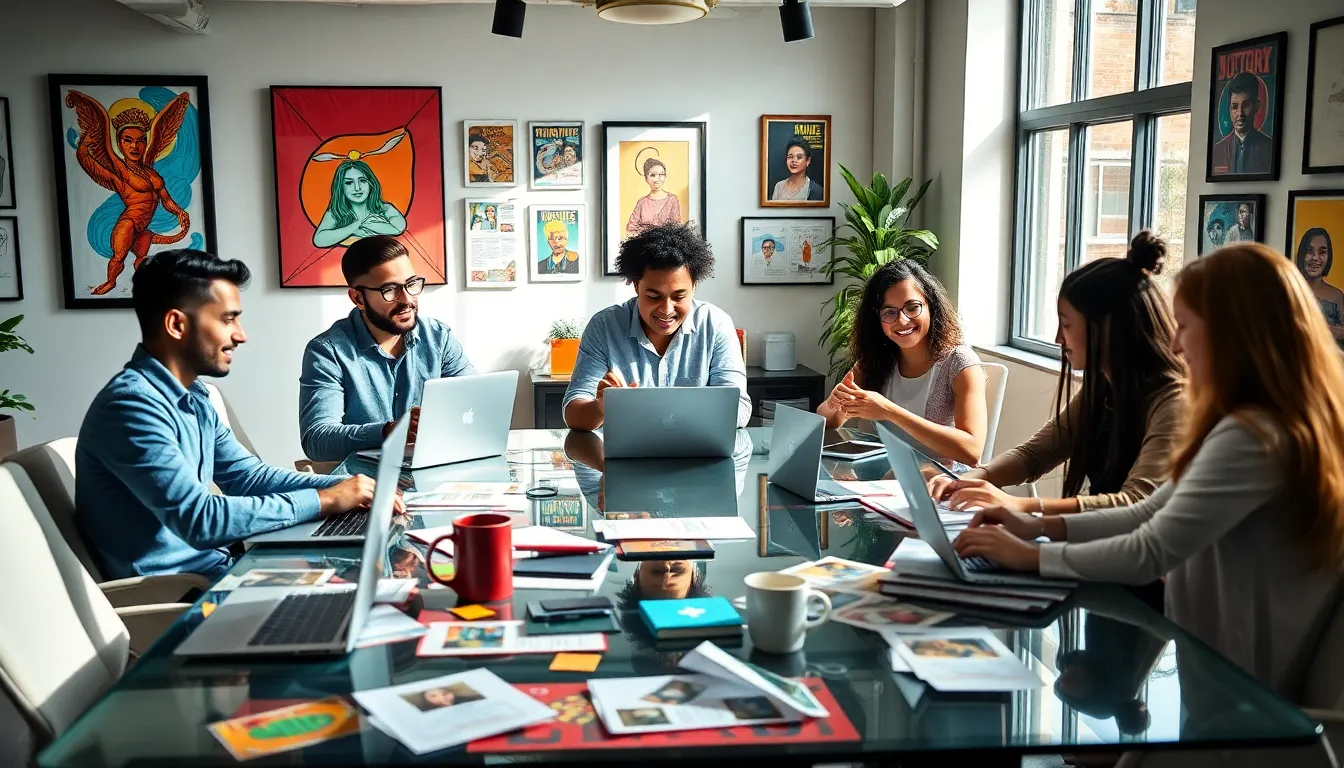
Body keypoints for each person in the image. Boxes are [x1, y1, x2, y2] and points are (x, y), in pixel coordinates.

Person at [952, 243, 1344, 702]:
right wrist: (1034, 524)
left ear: (1232, 332)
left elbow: (1150, 548)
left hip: (1242, 695)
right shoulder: (1251, 422)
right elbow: (1149, 511)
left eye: (1186, 327)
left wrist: (1032, 555)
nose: (1176, 344)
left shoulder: (1251, 435)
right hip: (1224, 677)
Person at [75, 249, 386, 581]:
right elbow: (200, 520)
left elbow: (250, 479)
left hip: (222, 565)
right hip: (185, 591)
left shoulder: (194, 397)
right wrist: (323, 500)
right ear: (177, 325)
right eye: (227, 319)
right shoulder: (132, 407)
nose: (240, 335)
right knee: (364, 585)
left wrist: (352, 487)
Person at [930, 232, 1184, 519]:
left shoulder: (1174, 402)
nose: (1058, 338)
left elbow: (1136, 503)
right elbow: (1035, 455)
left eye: (1067, 324)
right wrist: (972, 479)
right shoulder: (1102, 385)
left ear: (1107, 327)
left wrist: (1019, 506)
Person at [299, 235, 475, 462]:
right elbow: (317, 439)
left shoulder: (438, 338)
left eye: (411, 284)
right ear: (358, 298)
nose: (407, 299)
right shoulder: (327, 352)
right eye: (390, 290)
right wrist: (387, 432)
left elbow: (474, 403)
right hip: (365, 480)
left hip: (437, 470)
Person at [562, 222, 750, 431]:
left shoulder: (716, 325)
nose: (666, 310)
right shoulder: (604, 326)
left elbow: (740, 409)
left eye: (679, 296)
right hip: (628, 450)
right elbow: (573, 412)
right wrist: (601, 407)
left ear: (694, 286)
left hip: (698, 449)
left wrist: (663, 412)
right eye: (653, 296)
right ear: (636, 286)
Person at [817, 260, 987, 467]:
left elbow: (971, 452)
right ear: (877, 319)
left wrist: (890, 412)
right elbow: (830, 422)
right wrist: (833, 403)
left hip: (938, 482)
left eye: (912, 308)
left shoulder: (961, 364)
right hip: (877, 478)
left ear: (931, 306)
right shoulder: (875, 360)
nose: (902, 320)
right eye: (889, 312)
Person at [312, 158, 407, 249]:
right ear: (340, 187)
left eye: (363, 181)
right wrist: (355, 226)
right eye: (349, 183)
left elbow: (398, 229)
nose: (357, 188)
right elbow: (319, 240)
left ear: (371, 183)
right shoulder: (335, 212)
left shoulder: (384, 208)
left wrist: (366, 225)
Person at [1210, 71, 1273, 176]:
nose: (1240, 113)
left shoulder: (1269, 148)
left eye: (1246, 105)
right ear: (1230, 109)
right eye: (1234, 107)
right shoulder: (1217, 151)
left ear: (1256, 106)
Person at [1295, 227, 1344, 345]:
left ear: (1329, 256)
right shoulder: (1289, 290)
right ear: (1302, 254)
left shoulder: (1337, 297)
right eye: (1309, 251)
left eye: (1322, 252)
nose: (1315, 257)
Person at [625, 155, 681, 235]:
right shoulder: (642, 202)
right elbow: (631, 228)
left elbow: (677, 228)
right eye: (653, 175)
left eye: (661, 174)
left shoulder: (672, 199)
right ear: (646, 177)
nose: (657, 179)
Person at [770, 135, 824, 202]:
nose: (794, 161)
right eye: (790, 157)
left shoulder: (816, 190)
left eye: (799, 157)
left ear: (808, 161)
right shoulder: (779, 186)